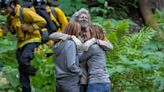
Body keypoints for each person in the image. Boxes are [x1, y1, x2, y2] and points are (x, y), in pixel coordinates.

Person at [0, 0, 47, 91]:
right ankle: (26, 89)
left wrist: (30, 27)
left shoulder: (25, 12)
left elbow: (42, 21)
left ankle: (39, 74)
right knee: (22, 70)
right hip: (20, 43)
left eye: (6, 8)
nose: (4, 10)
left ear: (13, 5)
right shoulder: (10, 18)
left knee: (24, 60)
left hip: (32, 40)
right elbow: (12, 31)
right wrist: (7, 29)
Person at [49, 21, 82, 92]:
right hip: (70, 81)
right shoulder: (71, 44)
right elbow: (70, 65)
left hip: (59, 81)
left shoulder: (58, 44)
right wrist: (80, 71)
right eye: (79, 32)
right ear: (75, 31)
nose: (80, 34)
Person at [79, 24, 111, 92]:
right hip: (105, 82)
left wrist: (78, 44)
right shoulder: (101, 46)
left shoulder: (93, 47)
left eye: (86, 31)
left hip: (96, 83)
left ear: (92, 32)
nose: (84, 33)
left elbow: (79, 58)